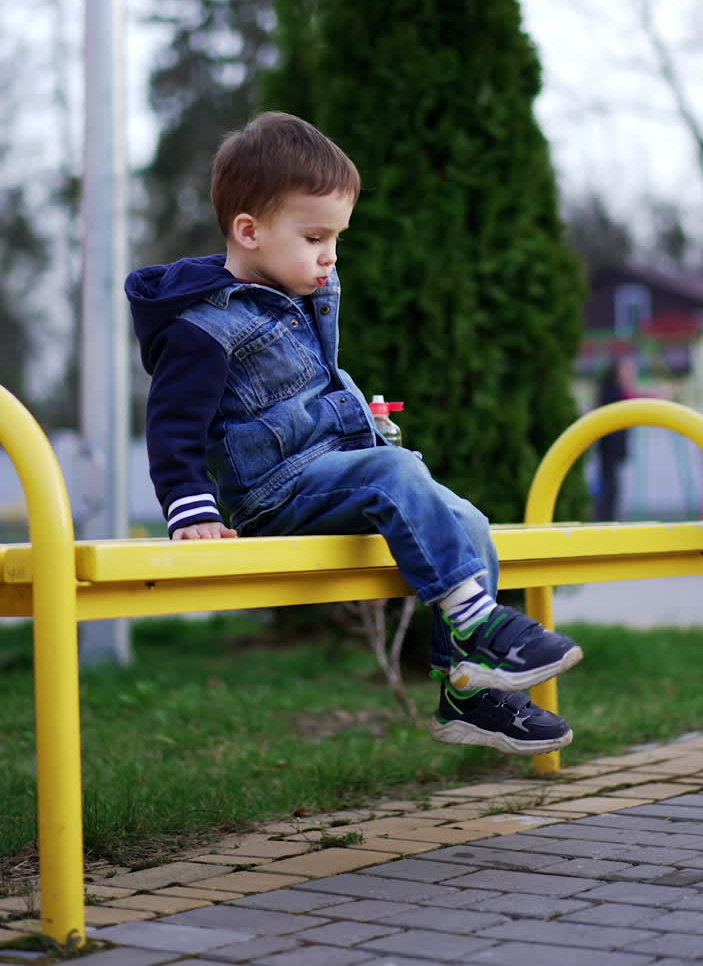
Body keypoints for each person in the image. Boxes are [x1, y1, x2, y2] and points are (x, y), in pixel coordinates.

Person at [126, 111, 583, 756]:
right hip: (274, 496)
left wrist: (360, 421)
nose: (330, 255)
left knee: (468, 519)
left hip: (329, 479)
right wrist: (190, 510)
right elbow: (172, 422)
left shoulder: (296, 296)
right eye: (315, 236)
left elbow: (302, 395)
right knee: (395, 474)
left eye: (337, 237)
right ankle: (479, 626)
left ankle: (470, 696)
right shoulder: (203, 327)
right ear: (249, 231)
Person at [594, 359, 635, 522]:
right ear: (618, 372)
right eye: (627, 370)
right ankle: (606, 519)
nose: (631, 373)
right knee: (610, 487)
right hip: (610, 448)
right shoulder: (614, 391)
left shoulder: (612, 390)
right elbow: (634, 399)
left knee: (611, 486)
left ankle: (607, 518)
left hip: (611, 448)